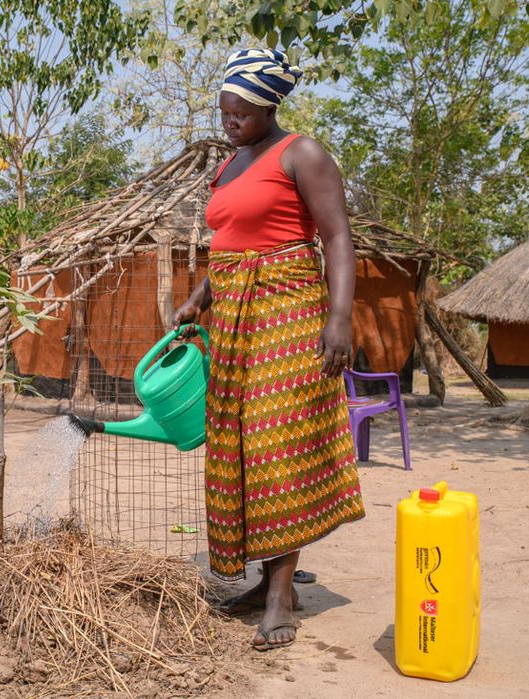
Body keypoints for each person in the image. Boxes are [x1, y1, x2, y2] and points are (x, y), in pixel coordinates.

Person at [172, 48, 366, 650]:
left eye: (239, 113)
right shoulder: (230, 165)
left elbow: (336, 236)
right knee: (240, 449)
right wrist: (200, 296)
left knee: (275, 446)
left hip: (288, 316)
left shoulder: (301, 154)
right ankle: (264, 581)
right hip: (233, 320)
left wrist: (340, 318)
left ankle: (282, 595)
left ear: (268, 105)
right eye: (223, 111)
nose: (228, 121)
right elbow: (232, 242)